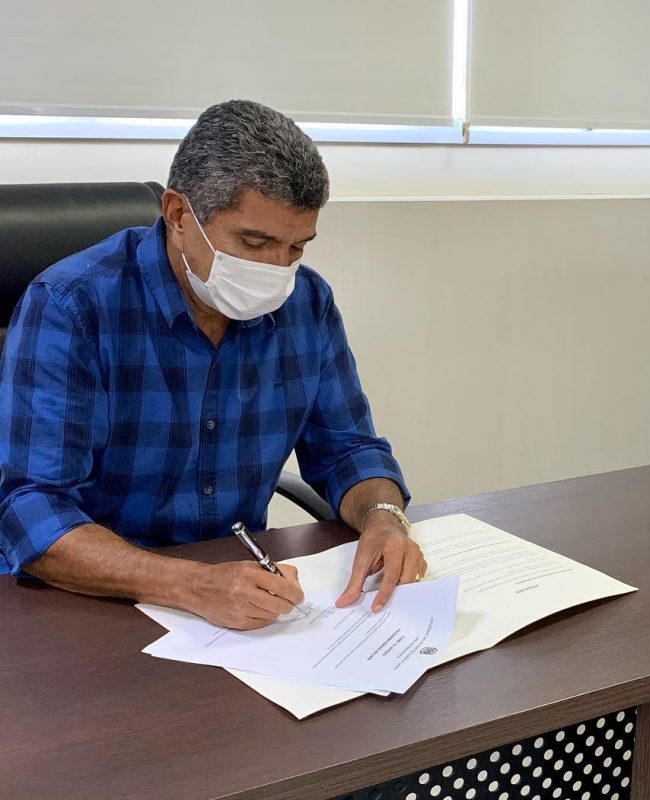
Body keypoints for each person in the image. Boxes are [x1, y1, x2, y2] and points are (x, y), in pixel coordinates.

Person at [0, 99, 425, 627]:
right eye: (255, 242)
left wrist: (384, 518)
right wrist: (191, 584)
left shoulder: (306, 304)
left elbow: (348, 450)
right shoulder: (73, 306)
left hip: (238, 602)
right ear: (179, 216)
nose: (277, 269)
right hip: (87, 601)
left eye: (296, 248)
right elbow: (31, 507)